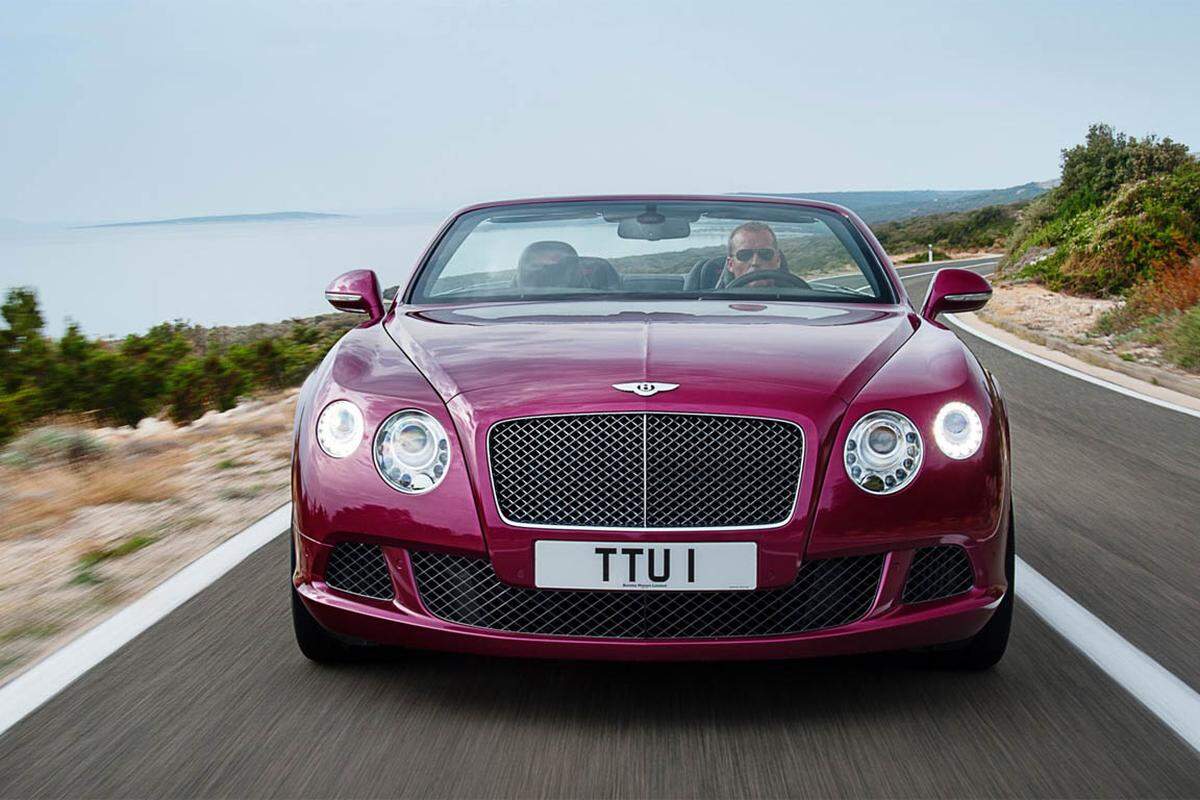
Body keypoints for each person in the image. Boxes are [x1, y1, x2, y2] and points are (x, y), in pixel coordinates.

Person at [719, 222, 785, 287]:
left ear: (778, 260)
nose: (755, 262)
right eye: (744, 255)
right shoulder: (714, 297)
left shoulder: (794, 295)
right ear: (730, 264)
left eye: (765, 254)